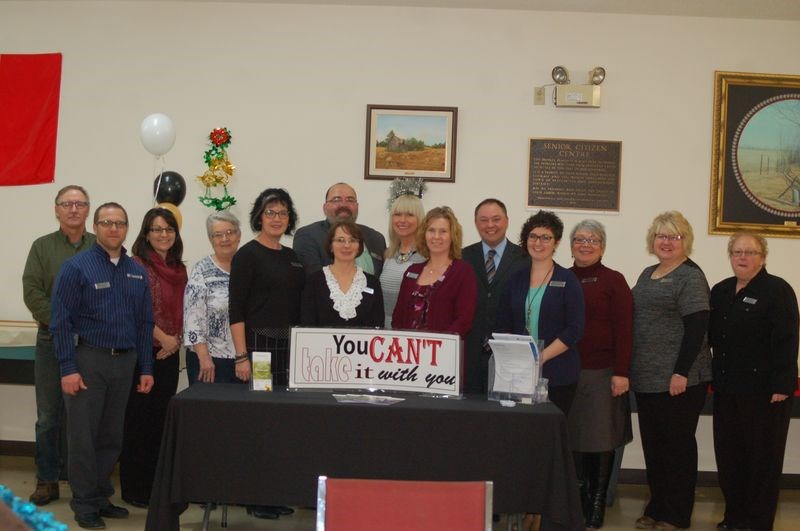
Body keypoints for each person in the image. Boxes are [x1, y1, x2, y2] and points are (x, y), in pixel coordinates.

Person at [50, 202, 153, 530]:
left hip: (125, 363)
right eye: (107, 223)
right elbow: (60, 322)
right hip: (88, 361)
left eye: (120, 223)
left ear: (126, 228)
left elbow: (145, 322)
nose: (113, 229)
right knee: (83, 435)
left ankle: (100, 495)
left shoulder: (136, 269)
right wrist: (68, 367)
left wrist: (147, 368)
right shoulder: (76, 267)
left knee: (111, 436)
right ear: (97, 227)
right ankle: (83, 502)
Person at [709, 231, 798, 531]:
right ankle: (734, 517)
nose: (743, 257)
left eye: (750, 252)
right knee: (730, 458)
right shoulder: (721, 291)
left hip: (765, 394)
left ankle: (757, 523)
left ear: (763, 257)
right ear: (730, 256)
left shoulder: (777, 290)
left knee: (762, 462)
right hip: (726, 390)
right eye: (737, 252)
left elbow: (787, 341)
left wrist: (782, 386)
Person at [630, 211, 711, 531]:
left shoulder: (691, 276)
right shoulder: (648, 272)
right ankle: (657, 506)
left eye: (674, 236)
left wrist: (681, 373)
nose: (666, 242)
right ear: (653, 240)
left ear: (685, 241)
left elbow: (697, 328)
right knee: (655, 448)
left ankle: (676, 514)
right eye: (661, 236)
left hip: (679, 381)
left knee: (677, 448)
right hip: (648, 379)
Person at [229, 188, 304, 521]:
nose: (277, 218)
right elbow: (236, 309)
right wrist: (242, 357)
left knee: (282, 423)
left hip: (290, 351)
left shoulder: (293, 257)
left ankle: (274, 492)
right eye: (271, 212)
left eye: (283, 212)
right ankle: (255, 495)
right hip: (259, 351)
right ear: (259, 216)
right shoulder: (247, 255)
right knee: (261, 420)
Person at [22, 185, 96, 506]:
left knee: (87, 416)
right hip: (51, 339)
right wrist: (62, 322)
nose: (74, 209)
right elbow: (32, 291)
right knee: (49, 415)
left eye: (80, 204)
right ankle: (47, 479)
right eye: (67, 204)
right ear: (56, 209)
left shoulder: (100, 247)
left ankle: (85, 483)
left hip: (92, 344)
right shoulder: (42, 247)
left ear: (88, 210)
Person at [567, 219, 633, 529]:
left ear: (603, 246)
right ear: (571, 245)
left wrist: (621, 372)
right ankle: (578, 497)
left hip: (603, 372)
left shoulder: (614, 281)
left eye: (592, 240)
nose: (585, 244)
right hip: (566, 373)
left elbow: (625, 329)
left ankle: (596, 501)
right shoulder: (560, 278)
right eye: (580, 239)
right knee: (573, 439)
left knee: (600, 440)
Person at [119, 207, 188, 508]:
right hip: (143, 354)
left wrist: (176, 342)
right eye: (157, 229)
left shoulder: (180, 269)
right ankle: (135, 490)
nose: (163, 234)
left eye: (168, 229)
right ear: (146, 234)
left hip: (171, 354)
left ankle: (155, 488)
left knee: (161, 422)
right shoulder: (135, 266)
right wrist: (163, 339)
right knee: (139, 422)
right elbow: (135, 311)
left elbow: (187, 309)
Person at [495, 210, 585, 415]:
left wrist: (540, 357)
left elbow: (574, 329)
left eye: (546, 237)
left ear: (556, 242)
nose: (538, 243)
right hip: (518, 374)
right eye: (533, 236)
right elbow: (503, 323)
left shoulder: (568, 280)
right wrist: (518, 358)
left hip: (559, 374)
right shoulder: (515, 280)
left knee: (550, 436)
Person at [462, 198, 528, 394]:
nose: (490, 225)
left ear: (507, 220)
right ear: (476, 223)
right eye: (483, 220)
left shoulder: (525, 259)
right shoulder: (462, 257)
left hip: (510, 355)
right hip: (470, 353)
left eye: (496, 219)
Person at [392, 206, 477, 339]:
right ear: (424, 234)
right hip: (408, 353)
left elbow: (464, 321)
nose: (436, 236)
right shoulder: (412, 271)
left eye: (443, 231)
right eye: (431, 230)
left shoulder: (463, 272)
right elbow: (398, 317)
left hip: (444, 353)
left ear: (452, 236)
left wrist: (439, 345)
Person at [183, 211, 243, 385]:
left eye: (230, 232)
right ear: (211, 239)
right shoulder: (201, 270)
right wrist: (204, 358)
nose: (225, 238)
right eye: (218, 234)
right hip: (210, 362)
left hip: (243, 359)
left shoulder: (248, 266)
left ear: (239, 235)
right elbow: (192, 319)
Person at [301, 220, 385, 327]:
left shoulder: (373, 283)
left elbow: (378, 325)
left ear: (359, 246)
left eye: (352, 240)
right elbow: (307, 325)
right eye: (340, 240)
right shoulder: (314, 281)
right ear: (331, 246)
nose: (346, 245)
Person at [293, 182, 386, 276]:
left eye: (350, 200)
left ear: (357, 207)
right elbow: (313, 279)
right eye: (336, 200)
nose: (344, 205)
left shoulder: (376, 238)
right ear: (325, 208)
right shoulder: (307, 236)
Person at [379, 193, 426, 328]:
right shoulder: (388, 254)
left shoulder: (426, 256)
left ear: (420, 219)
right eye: (397, 214)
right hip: (385, 328)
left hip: (411, 330)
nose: (402, 220)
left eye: (410, 215)